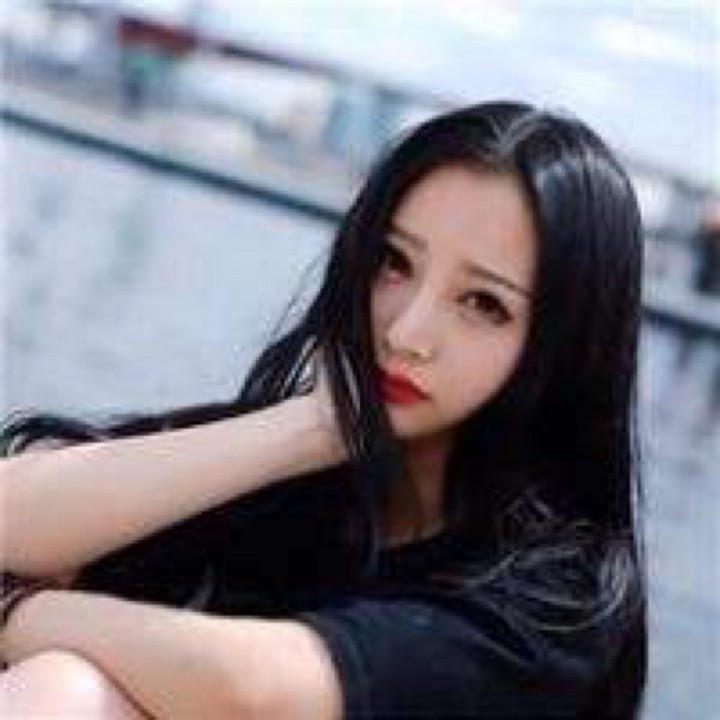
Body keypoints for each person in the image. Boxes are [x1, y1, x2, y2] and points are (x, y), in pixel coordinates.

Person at [0, 101, 647, 719]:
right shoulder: (293, 475)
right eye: (393, 262)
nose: (406, 333)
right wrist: (309, 429)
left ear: (563, 346)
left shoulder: (562, 601)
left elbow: (251, 697)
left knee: (68, 691)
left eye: (483, 303)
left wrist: (15, 611)